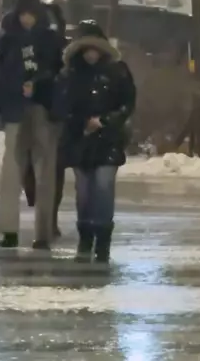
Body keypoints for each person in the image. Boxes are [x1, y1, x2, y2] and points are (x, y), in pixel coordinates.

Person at [53, 20, 136, 263]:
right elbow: (60, 107)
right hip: (80, 141)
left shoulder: (117, 71)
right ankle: (86, 237)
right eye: (86, 49)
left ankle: (102, 240)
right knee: (84, 191)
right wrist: (81, 123)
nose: (91, 54)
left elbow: (128, 102)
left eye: (95, 49)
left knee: (104, 186)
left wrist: (106, 120)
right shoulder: (69, 75)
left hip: (108, 139)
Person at [0, 0, 64, 250]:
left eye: (31, 14)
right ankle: (9, 229)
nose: (27, 19)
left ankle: (42, 232)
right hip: (16, 110)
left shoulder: (50, 40)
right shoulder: (7, 42)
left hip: (42, 110)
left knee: (44, 172)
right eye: (23, 13)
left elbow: (59, 72)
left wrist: (39, 85)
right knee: (12, 172)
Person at [23, 0, 68, 238]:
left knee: (53, 167)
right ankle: (42, 207)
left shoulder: (59, 45)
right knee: (33, 166)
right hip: (30, 106)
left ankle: (49, 217)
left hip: (52, 109)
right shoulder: (24, 41)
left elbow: (64, 73)